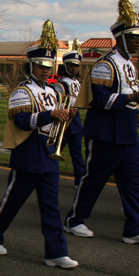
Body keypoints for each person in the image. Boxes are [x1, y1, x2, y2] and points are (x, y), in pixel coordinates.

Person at [63, 0, 139, 245]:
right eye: (133, 37)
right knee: (93, 180)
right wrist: (133, 98)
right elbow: (99, 99)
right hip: (105, 134)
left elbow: (126, 98)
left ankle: (135, 228)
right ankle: (75, 220)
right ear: (120, 38)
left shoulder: (129, 65)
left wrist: (137, 114)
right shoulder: (105, 65)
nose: (138, 41)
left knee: (132, 183)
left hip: (127, 134)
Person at [0, 21, 78, 269]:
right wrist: (51, 115)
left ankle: (56, 252)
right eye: (41, 66)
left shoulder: (55, 92)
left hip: (48, 153)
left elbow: (55, 121)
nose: (45, 70)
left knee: (51, 207)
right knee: (13, 201)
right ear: (31, 66)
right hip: (28, 152)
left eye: (49, 66)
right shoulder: (22, 92)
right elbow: (22, 121)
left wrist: (66, 116)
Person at [53, 39, 85, 188]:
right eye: (71, 66)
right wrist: (67, 110)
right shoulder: (62, 83)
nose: (74, 69)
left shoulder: (78, 83)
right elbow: (57, 102)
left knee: (77, 153)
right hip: (64, 121)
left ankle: (80, 180)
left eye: (76, 66)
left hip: (75, 122)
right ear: (66, 66)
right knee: (54, 149)